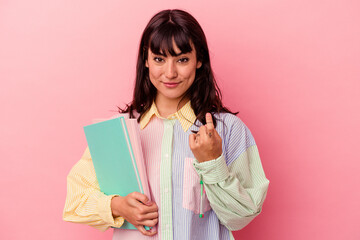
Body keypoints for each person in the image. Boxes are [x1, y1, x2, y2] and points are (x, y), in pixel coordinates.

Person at [63, 9, 270, 240]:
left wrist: (213, 163)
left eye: (182, 60)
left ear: (199, 60)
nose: (170, 73)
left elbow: (241, 216)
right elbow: (75, 200)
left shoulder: (229, 130)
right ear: (146, 60)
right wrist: (117, 206)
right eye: (159, 59)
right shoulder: (117, 132)